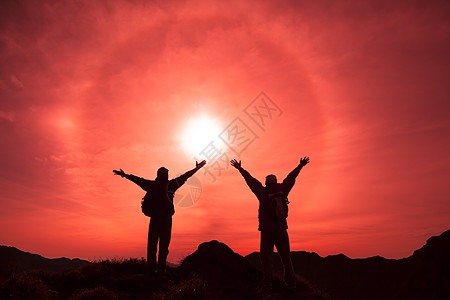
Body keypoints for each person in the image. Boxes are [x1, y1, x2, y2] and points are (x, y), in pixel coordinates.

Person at [230, 156, 310, 293]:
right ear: (276, 181)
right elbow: (291, 178)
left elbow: (250, 180)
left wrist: (240, 169)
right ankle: (291, 284)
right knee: (285, 257)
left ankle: (268, 286)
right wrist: (300, 166)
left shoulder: (262, 192)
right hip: (281, 229)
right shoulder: (283, 189)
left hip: (267, 230)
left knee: (266, 258)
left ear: (266, 183)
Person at [113, 160, 206, 274]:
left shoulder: (151, 185)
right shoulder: (171, 185)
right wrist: (197, 168)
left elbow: (138, 180)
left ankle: (151, 270)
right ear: (165, 175)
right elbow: (185, 176)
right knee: (163, 246)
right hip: (166, 220)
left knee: (152, 246)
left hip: (155, 219)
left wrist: (125, 175)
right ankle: (161, 270)